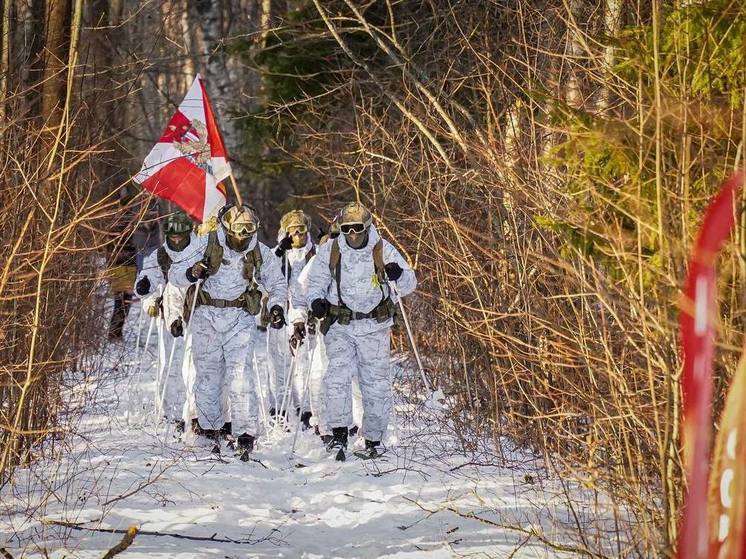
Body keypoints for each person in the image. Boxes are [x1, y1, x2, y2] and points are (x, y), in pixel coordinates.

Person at [169, 204, 287, 459]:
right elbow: (175, 273)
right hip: (206, 316)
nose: (242, 238)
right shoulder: (204, 243)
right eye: (237, 233)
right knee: (208, 377)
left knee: (241, 376)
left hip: (239, 316)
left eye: (248, 233)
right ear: (226, 228)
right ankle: (210, 431)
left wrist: (277, 307)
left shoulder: (257, 250)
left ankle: (245, 434)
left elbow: (277, 283)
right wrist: (192, 272)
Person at [305, 202, 416, 459]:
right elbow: (316, 282)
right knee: (337, 379)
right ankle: (339, 434)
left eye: (357, 229)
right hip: (341, 325)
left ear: (367, 227)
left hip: (374, 327)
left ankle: (373, 439)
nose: (352, 234)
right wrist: (316, 301)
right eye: (347, 229)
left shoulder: (382, 249)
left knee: (375, 385)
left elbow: (410, 283)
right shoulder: (331, 249)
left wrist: (398, 274)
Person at [133, 211, 197, 431]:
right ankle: (169, 411)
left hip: (196, 314)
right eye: (172, 236)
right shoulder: (160, 255)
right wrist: (147, 295)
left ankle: (192, 410)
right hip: (168, 315)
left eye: (181, 236)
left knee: (193, 365)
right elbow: (149, 278)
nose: (176, 240)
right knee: (169, 364)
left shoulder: (198, 253)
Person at [268, 210, 317, 429]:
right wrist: (280, 252)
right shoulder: (278, 254)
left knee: (305, 364)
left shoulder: (315, 254)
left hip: (306, 316)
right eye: (293, 231)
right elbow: (262, 273)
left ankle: (306, 408)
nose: (298, 235)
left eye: (302, 230)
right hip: (281, 314)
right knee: (278, 363)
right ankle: (278, 408)